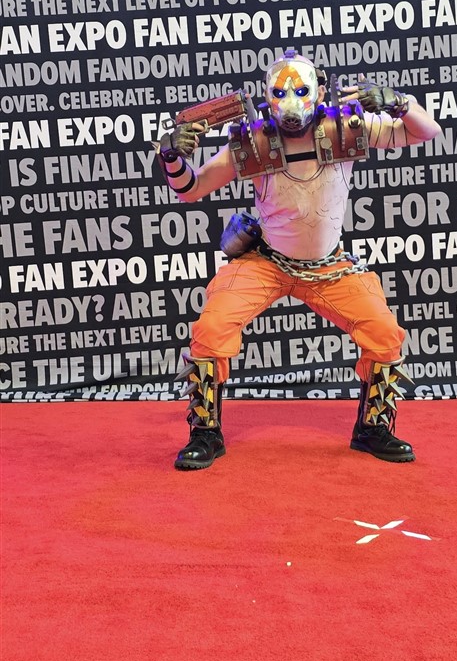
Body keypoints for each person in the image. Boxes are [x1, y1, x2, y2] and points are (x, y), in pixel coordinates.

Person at [157, 49, 442, 470]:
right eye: (279, 93)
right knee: (212, 328)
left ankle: (373, 427)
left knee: (383, 332)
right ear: (266, 97)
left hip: (329, 266)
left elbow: (426, 132)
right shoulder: (251, 141)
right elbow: (191, 189)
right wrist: (171, 158)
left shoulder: (347, 127)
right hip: (267, 262)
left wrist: (400, 103)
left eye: (302, 91)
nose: (291, 102)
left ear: (320, 92)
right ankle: (205, 432)